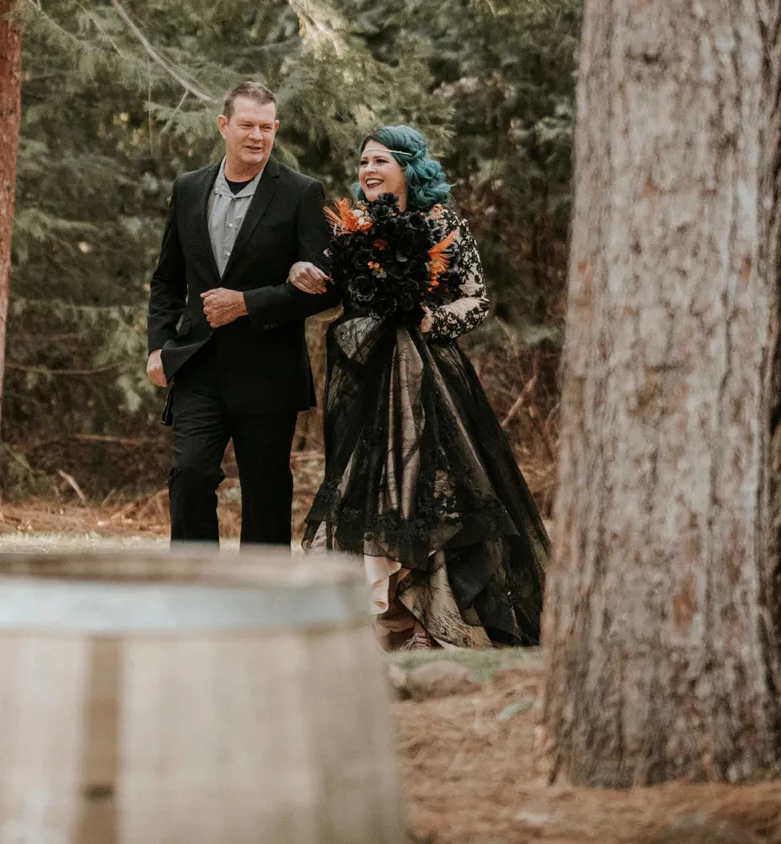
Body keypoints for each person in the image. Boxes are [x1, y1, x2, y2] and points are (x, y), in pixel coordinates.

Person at [293, 126, 548, 650]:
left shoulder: (443, 224)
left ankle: (430, 622)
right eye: (363, 162)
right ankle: (380, 618)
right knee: (363, 491)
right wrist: (303, 271)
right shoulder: (352, 228)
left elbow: (476, 299)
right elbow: (328, 289)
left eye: (380, 161)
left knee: (429, 491)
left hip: (430, 380)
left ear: (408, 168)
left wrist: (433, 319)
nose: (368, 170)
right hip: (362, 381)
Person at [146, 81, 340, 546]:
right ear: (223, 125)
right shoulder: (188, 188)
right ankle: (195, 585)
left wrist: (247, 304)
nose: (257, 136)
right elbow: (166, 280)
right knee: (190, 474)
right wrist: (158, 346)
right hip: (198, 364)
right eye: (247, 125)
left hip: (269, 370)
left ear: (276, 129)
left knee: (266, 496)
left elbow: (324, 291)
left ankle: (262, 590)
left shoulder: (301, 193)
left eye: (266, 127)